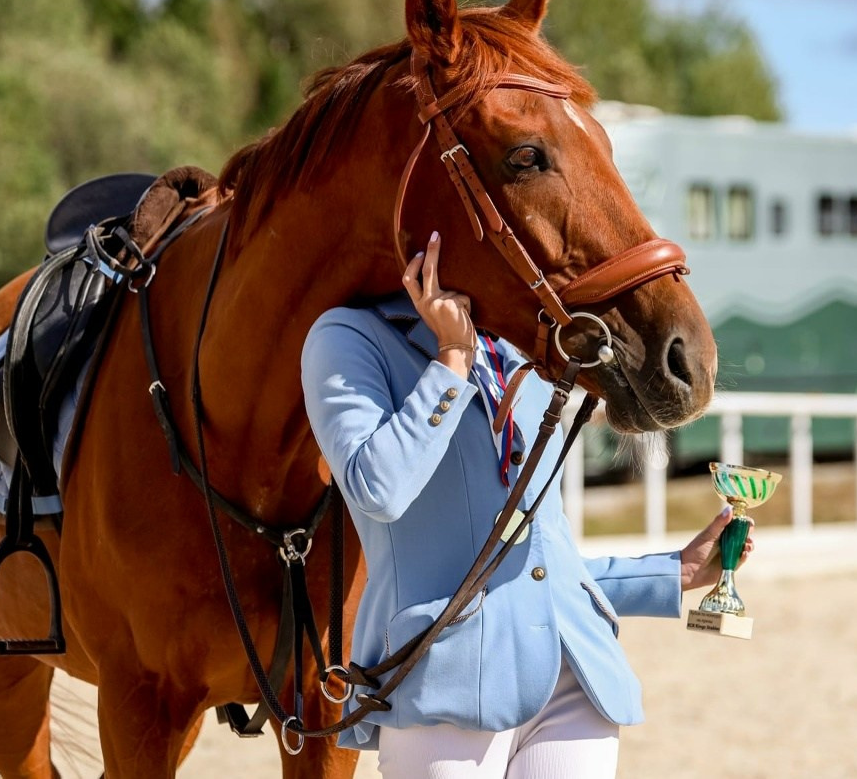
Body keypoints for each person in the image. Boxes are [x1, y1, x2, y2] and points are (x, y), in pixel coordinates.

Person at [301, 231, 753, 779]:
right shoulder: (348, 336)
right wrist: (450, 362)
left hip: (572, 676)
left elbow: (541, 563)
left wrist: (672, 573)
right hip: (446, 681)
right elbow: (379, 490)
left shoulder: (524, 352)